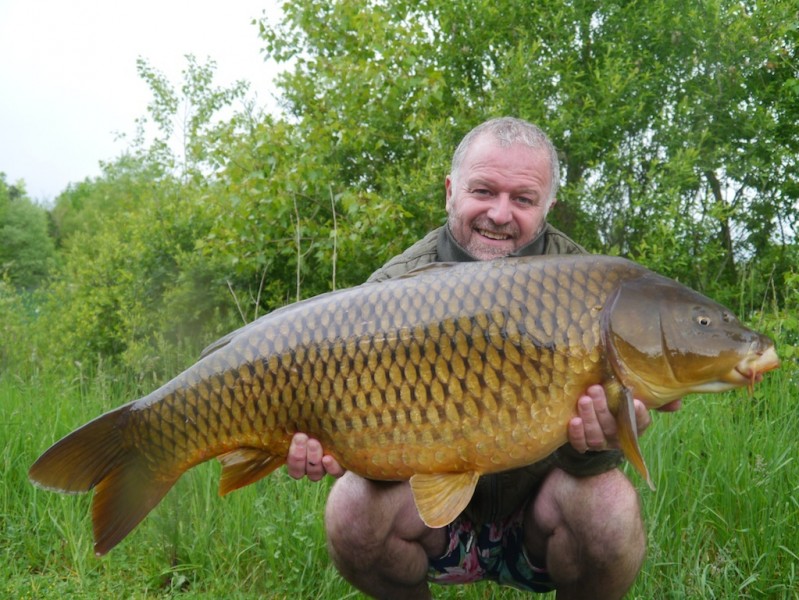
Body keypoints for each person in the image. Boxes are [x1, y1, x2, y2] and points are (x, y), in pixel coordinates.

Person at [284, 117, 681, 599]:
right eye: (483, 191)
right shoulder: (393, 290)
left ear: (548, 205)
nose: (499, 213)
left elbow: (593, 465)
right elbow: (375, 459)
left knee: (609, 511)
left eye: (522, 199)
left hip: (539, 516)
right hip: (434, 522)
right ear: (450, 191)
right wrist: (330, 443)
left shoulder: (589, 289)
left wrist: (602, 442)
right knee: (351, 510)